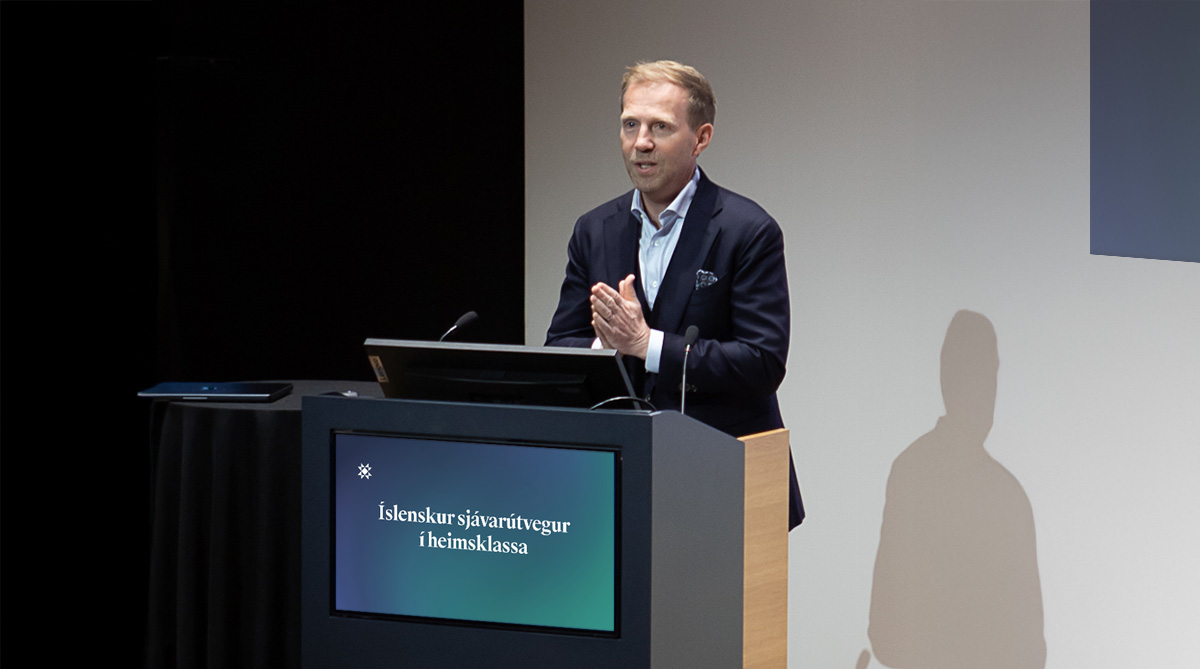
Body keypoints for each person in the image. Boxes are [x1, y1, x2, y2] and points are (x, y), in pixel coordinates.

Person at [545, 60, 804, 528]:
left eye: (660, 127)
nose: (641, 142)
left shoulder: (747, 230)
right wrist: (607, 346)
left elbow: (762, 362)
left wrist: (648, 345)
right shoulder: (594, 230)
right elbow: (560, 347)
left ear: (701, 138)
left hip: (725, 479)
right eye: (630, 125)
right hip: (619, 482)